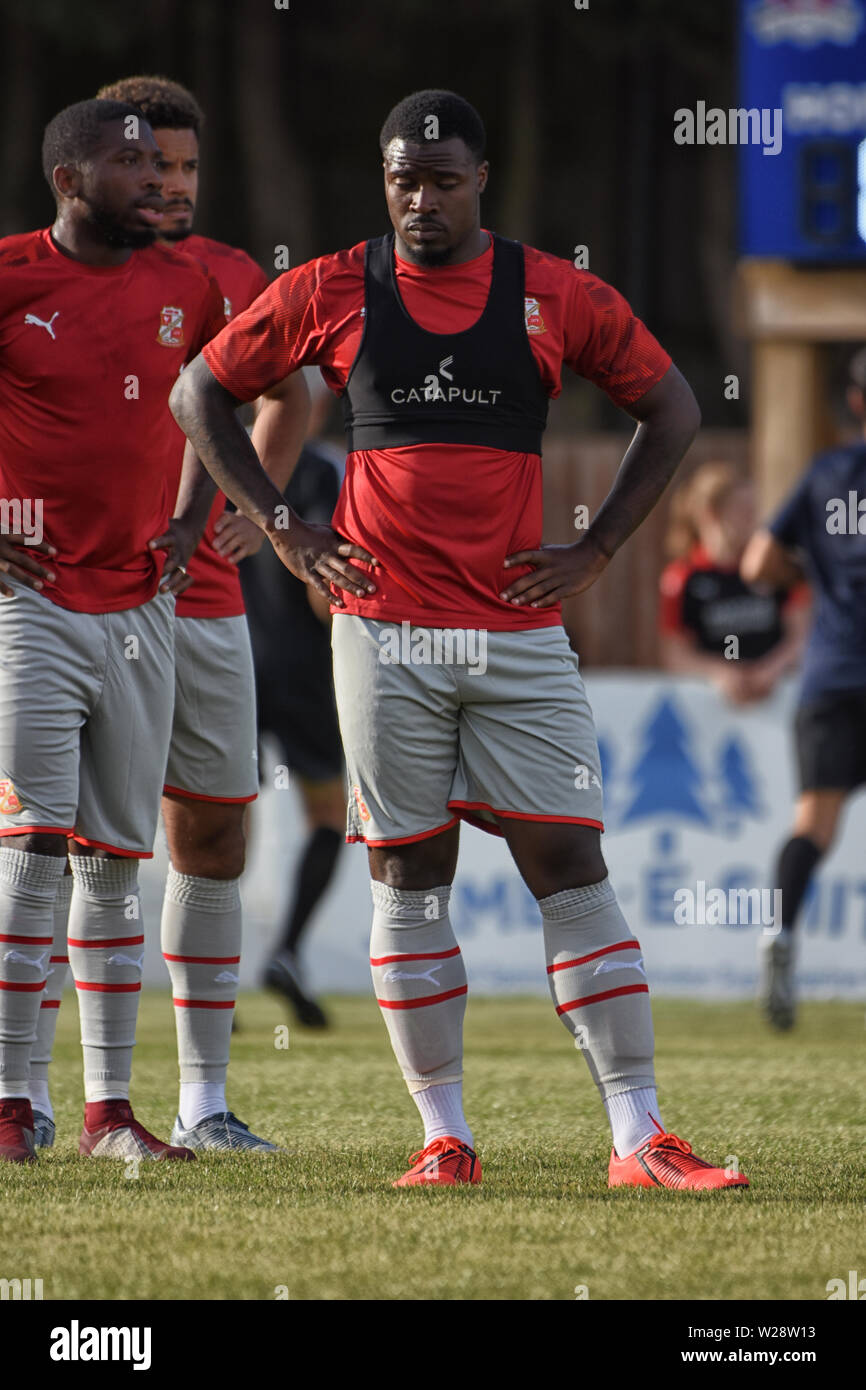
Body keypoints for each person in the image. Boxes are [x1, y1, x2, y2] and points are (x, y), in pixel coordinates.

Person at [172, 89, 749, 1191]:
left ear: (481, 177)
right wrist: (285, 525)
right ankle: (444, 1138)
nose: (419, 198)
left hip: (518, 632)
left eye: (440, 178)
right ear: (382, 180)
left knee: (570, 862)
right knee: (409, 874)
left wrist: (595, 552)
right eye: (401, 179)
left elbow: (670, 405)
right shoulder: (334, 285)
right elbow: (200, 389)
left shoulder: (553, 290)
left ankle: (639, 1136)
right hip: (383, 633)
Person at [47, 74, 309, 1153]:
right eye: (152, 164)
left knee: (211, 833)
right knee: (75, 850)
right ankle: (45, 1096)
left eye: (187, 166)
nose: (170, 183)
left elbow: (294, 390)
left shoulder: (228, 275)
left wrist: (261, 504)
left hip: (199, 599)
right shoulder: (44, 273)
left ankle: (204, 1101)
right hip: (67, 598)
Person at [0, 98, 225, 1163]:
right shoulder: (11, 276)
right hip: (30, 604)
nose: (156, 181)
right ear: (69, 180)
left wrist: (194, 520)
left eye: (161, 163)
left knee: (112, 861)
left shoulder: (187, 282)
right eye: (129, 164)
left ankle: (107, 1114)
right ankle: (8, 1102)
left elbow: (229, 396)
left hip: (141, 608)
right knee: (30, 845)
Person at [741, 346, 866, 1030]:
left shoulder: (827, 474)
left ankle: (779, 934)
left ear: (855, 403)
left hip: (833, 675)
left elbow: (759, 562)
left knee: (813, 825)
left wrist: (807, 572)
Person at [230, 368, 345, 1029]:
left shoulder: (223, 455)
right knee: (327, 815)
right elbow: (323, 585)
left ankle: (212, 974)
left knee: (217, 829)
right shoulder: (326, 471)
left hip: (224, 658)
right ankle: (288, 952)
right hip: (305, 669)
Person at [659, 461, 808, 703]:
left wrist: (772, 669)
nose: (752, 518)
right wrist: (720, 673)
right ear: (711, 514)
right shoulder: (682, 578)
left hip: (781, 698)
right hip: (713, 708)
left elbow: (801, 636)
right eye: (742, 509)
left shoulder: (774, 566)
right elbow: (675, 654)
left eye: (753, 509)